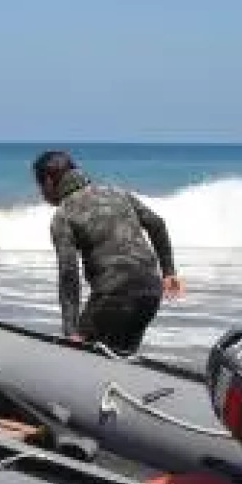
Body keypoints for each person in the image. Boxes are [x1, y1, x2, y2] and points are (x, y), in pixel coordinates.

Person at [31, 150, 183, 355]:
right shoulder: (117, 192)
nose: (42, 194)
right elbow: (157, 223)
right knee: (121, 357)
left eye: (40, 186)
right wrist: (169, 272)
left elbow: (69, 274)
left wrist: (70, 330)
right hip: (150, 291)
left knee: (81, 357)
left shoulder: (63, 215)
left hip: (114, 294)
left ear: (49, 181)